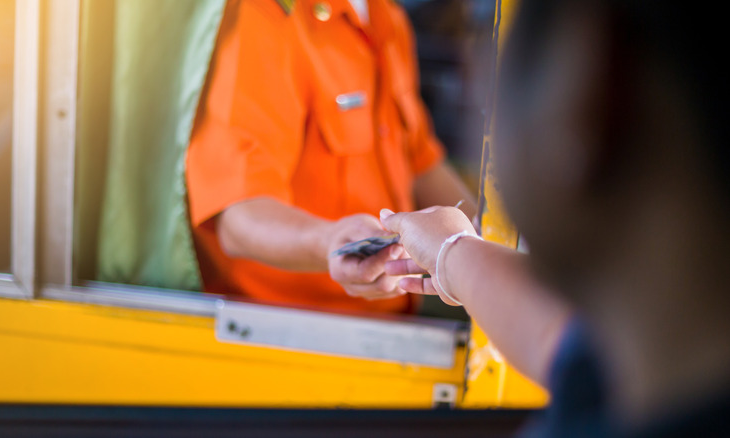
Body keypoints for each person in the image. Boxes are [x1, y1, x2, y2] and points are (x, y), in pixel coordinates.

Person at [381, 0, 730, 436]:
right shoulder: (629, 368)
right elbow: (557, 342)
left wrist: (454, 254)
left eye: (483, 37)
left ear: (589, 82)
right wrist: (453, 254)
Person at [185, 0, 475, 314]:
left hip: (388, 323)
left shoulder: (386, 18)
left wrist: (494, 244)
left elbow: (422, 164)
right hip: (284, 330)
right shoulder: (263, 14)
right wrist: (330, 241)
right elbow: (239, 217)